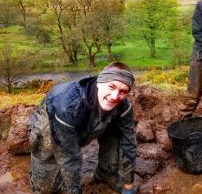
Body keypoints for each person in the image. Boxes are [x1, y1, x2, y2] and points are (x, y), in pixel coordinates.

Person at [28, 62, 137, 194]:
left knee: (117, 129)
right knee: (48, 188)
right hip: (49, 129)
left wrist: (128, 185)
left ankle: (106, 173)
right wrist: (74, 190)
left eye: (122, 91)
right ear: (99, 82)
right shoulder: (66, 105)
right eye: (111, 87)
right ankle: (41, 177)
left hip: (87, 124)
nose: (115, 96)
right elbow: (69, 155)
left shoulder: (124, 106)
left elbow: (129, 144)